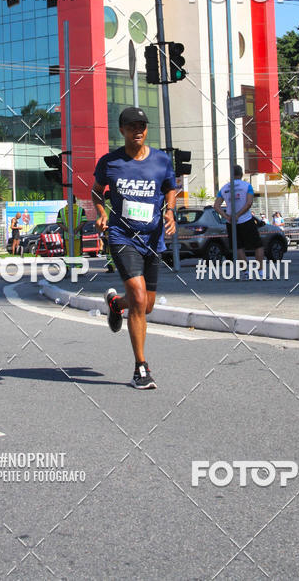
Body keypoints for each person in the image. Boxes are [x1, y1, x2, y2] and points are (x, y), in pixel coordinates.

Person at [92, 106, 176, 390]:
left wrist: (170, 211)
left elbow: (170, 188)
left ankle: (116, 304)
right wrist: (101, 213)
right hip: (121, 236)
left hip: (152, 239)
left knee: (146, 305)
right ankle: (141, 367)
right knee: (139, 297)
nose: (138, 130)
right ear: (122, 131)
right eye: (131, 126)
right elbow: (95, 190)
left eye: (142, 125)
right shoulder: (110, 162)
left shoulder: (162, 161)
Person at [213, 165, 264, 270]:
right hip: (246, 219)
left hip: (231, 222)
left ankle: (245, 272)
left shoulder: (224, 188)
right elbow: (249, 203)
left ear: (231, 174)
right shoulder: (247, 186)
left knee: (238, 247)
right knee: (258, 245)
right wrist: (239, 214)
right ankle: (260, 271)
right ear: (241, 174)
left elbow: (216, 206)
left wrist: (227, 217)